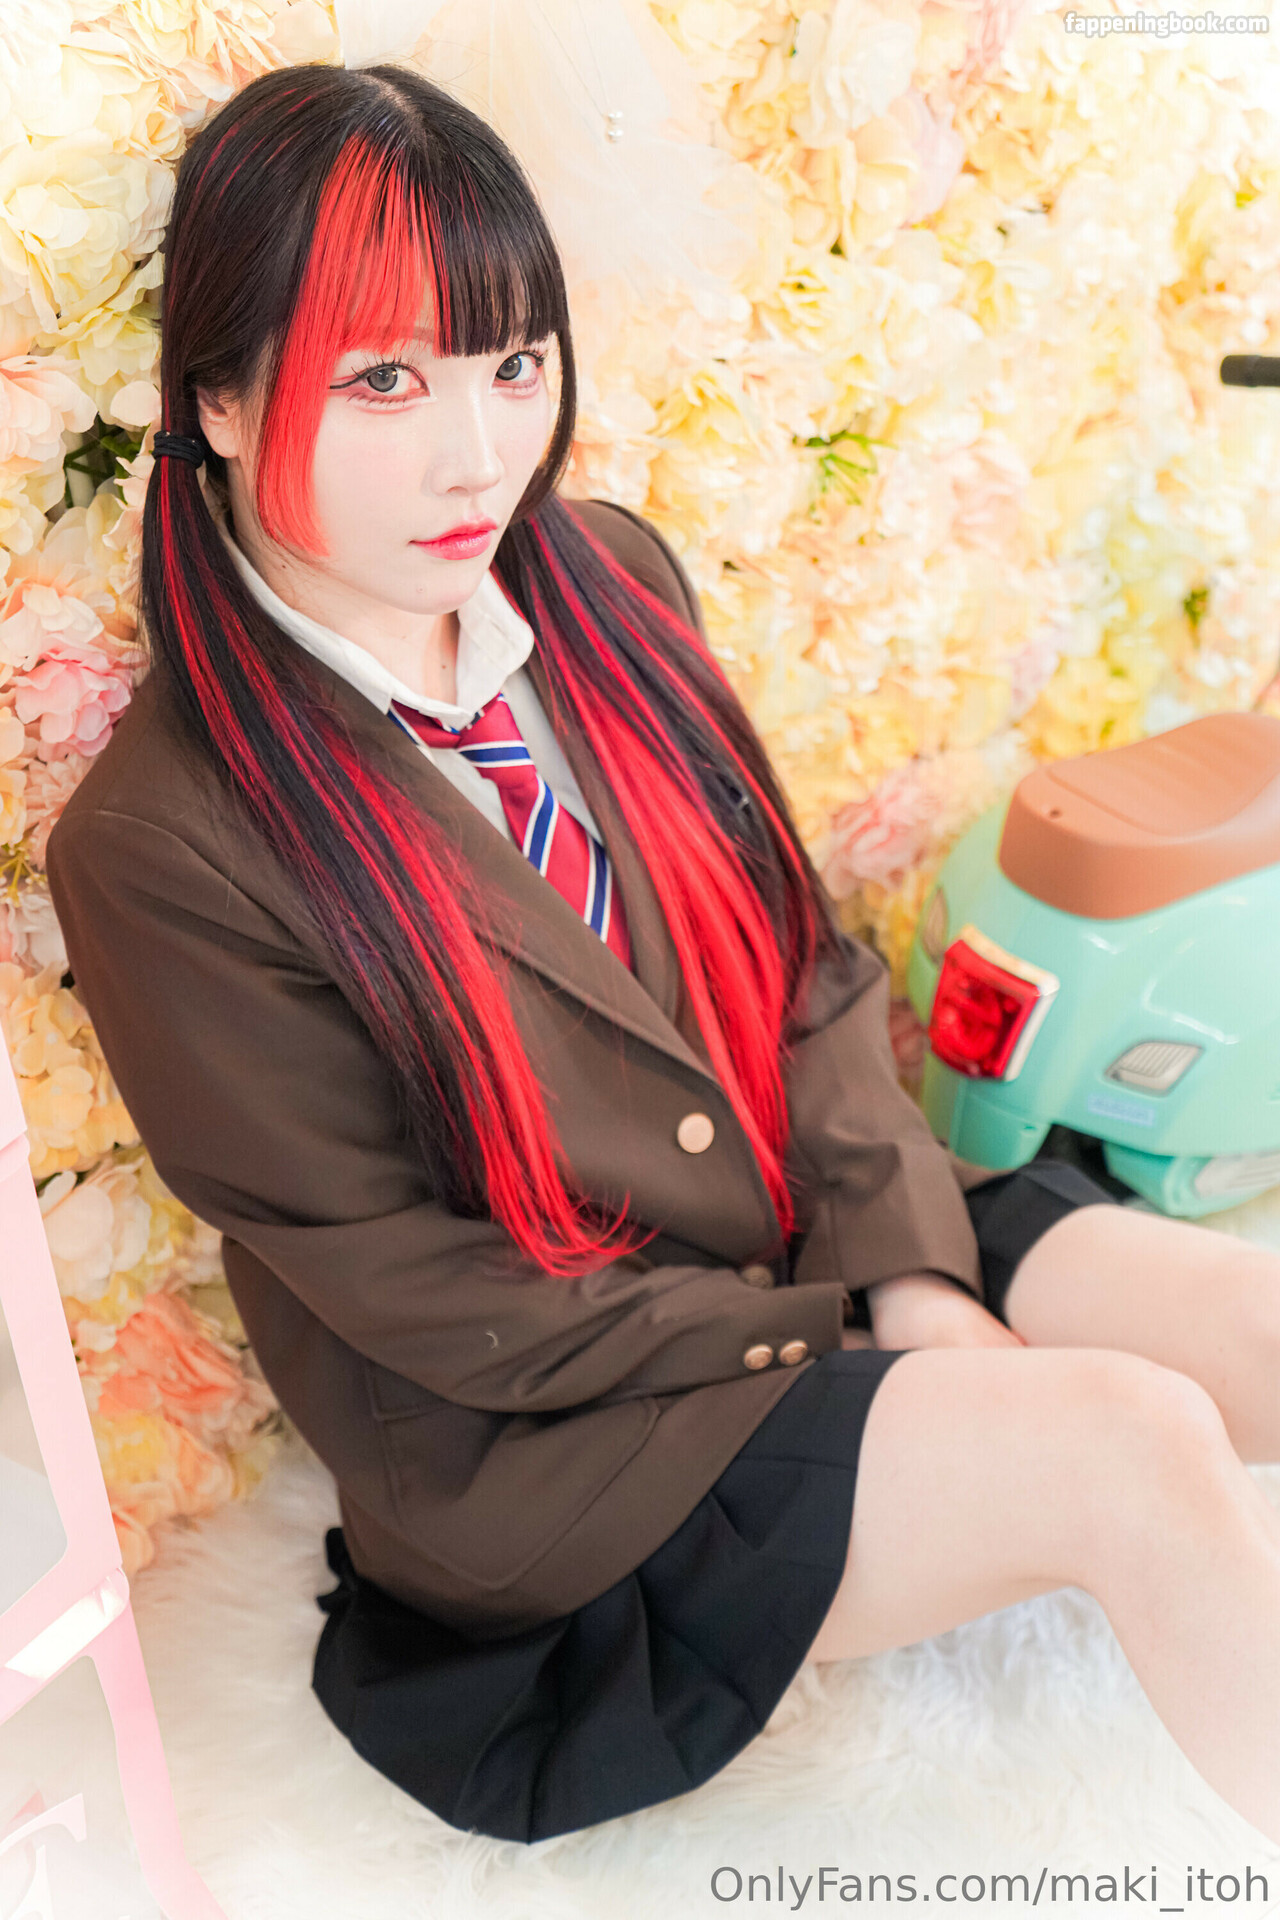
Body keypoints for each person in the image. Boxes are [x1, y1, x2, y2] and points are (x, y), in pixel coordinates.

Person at [43, 60, 1280, 1849]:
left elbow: (803, 968)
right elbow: (414, 1289)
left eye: (512, 365)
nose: (477, 454)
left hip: (799, 1209)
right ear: (221, 403)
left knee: (1252, 1323)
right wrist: (844, 1334)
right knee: (1135, 1444)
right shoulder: (168, 841)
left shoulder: (608, 582)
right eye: (384, 380)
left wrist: (911, 1277)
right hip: (574, 1431)